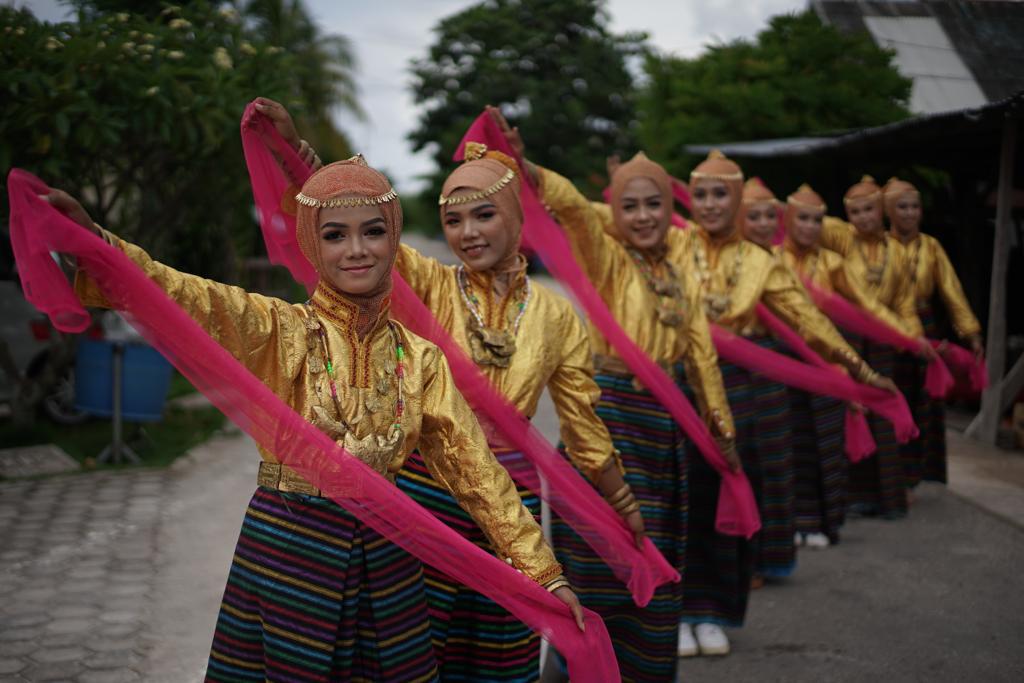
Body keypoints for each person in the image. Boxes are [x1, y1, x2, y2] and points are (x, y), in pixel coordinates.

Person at [43, 156, 584, 682]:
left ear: (394, 238)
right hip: (290, 550)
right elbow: (190, 296)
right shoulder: (280, 329)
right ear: (310, 243)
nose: (355, 250)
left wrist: (542, 571)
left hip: (391, 551)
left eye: (372, 231)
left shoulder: (422, 359)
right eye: (334, 235)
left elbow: (476, 471)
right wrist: (101, 247)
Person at [256, 99, 646, 681]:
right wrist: (297, 164)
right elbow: (348, 228)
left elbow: (584, 428)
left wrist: (622, 507)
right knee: (413, 653)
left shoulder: (558, 316)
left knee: (502, 653)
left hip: (510, 503)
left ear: (515, 216)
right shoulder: (428, 282)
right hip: (420, 499)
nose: (468, 234)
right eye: (454, 221)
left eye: (484, 216)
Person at [493, 108, 737, 680]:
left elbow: (699, 347)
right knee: (603, 555)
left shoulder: (681, 266)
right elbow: (574, 207)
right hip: (610, 423)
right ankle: (579, 666)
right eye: (630, 206)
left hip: (668, 425)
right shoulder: (605, 257)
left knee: (659, 550)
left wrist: (720, 424)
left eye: (654, 204)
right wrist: (524, 165)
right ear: (616, 212)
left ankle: (646, 664)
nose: (644, 215)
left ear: (669, 209)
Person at [675, 152, 898, 655]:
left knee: (728, 497)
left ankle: (712, 613)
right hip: (678, 388)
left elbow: (807, 319)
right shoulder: (672, 243)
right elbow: (588, 221)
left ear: (736, 201)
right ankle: (677, 613)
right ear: (691, 197)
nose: (711, 204)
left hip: (738, 389)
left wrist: (857, 371)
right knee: (681, 503)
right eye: (702, 193)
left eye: (720, 194)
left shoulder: (760, 261)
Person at [820, 175, 934, 518]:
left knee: (883, 412)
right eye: (855, 212)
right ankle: (848, 496)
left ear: (881, 210)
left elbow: (904, 304)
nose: (863, 218)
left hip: (884, 342)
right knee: (849, 412)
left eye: (869, 209)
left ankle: (887, 496)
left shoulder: (896, 252)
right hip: (848, 339)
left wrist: (912, 337)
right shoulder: (842, 239)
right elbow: (803, 217)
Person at [883, 177, 983, 488]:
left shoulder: (932, 246)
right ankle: (891, 473)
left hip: (926, 328)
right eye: (902, 206)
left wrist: (970, 332)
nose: (910, 213)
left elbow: (951, 291)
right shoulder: (878, 247)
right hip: (889, 329)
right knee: (893, 398)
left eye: (915, 207)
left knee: (925, 401)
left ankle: (918, 473)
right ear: (889, 211)